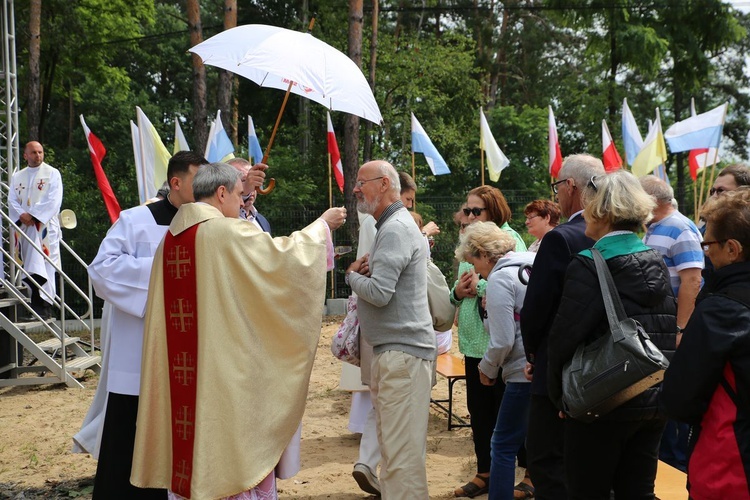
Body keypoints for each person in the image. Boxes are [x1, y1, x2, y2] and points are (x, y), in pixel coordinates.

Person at [130, 163, 346, 499]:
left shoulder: (170, 241)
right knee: (233, 455)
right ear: (220, 194)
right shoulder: (227, 233)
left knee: (188, 443)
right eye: (237, 196)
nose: (241, 205)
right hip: (223, 378)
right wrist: (322, 226)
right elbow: (285, 259)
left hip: (181, 375)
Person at [86, 151, 214, 498]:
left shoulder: (211, 225)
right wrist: (167, 273)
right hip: (139, 358)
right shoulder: (136, 220)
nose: (207, 188)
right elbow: (101, 270)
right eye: (198, 181)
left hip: (189, 359)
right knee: (127, 444)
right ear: (176, 183)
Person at [547, 170, 677, 499]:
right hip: (651, 397)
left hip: (602, 399)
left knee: (588, 491)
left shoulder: (590, 263)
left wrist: (559, 395)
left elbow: (564, 337)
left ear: (602, 211)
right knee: (638, 492)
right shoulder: (655, 260)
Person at [346, 160, 436, 500]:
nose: (356, 189)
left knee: (400, 460)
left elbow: (381, 294)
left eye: (361, 182)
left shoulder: (395, 228)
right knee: (399, 455)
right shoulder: (392, 225)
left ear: (384, 184)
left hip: (402, 356)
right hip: (397, 354)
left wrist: (352, 276)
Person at [520, 154, 604, 500]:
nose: (555, 195)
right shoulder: (626, 235)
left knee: (546, 460)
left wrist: (533, 354)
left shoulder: (562, 238)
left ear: (570, 186)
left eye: (556, 186)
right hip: (609, 367)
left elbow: (537, 307)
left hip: (560, 368)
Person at [661, 187, 750, 499]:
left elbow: (679, 398)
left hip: (730, 465)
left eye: (707, 243)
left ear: (732, 248)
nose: (704, 251)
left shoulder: (722, 310)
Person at [450, 185, 526, 498]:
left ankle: (526, 476)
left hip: (500, 349)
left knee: (508, 418)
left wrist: (480, 287)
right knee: (480, 414)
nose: (467, 216)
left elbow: (507, 286)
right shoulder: (469, 244)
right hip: (473, 343)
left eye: (475, 211)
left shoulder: (506, 241)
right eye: (466, 210)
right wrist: (459, 292)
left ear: (493, 211)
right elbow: (456, 287)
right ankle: (485, 473)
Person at [640, 175, 703, 472]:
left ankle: (677, 468)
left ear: (651, 200)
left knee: (672, 406)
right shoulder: (651, 229)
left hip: (671, 332)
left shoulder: (680, 227)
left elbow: (692, 280)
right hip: (657, 331)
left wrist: (681, 329)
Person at [8, 141, 63, 319]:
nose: (38, 155)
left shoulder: (52, 173)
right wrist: (22, 215)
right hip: (25, 228)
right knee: (30, 265)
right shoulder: (18, 177)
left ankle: (45, 306)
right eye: (33, 152)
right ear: (25, 155)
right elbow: (12, 200)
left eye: (40, 152)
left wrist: (33, 215)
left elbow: (53, 200)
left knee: (46, 265)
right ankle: (35, 305)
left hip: (44, 228)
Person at [227, 157, 271, 232]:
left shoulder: (262, 221)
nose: (252, 187)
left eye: (254, 180)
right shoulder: (223, 216)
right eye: (244, 180)